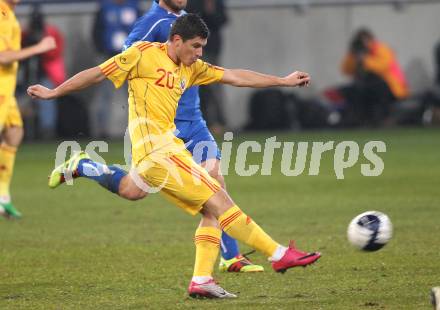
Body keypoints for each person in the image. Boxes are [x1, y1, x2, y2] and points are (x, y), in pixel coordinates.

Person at [28, 14, 321, 299]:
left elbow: (234, 76)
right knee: (219, 200)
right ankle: (278, 254)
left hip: (166, 149)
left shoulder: (191, 68)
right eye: (195, 46)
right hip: (157, 152)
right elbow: (97, 73)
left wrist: (282, 81)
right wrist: (55, 93)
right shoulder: (142, 54)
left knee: (138, 192)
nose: (199, 52)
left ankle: (84, 166)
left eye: (202, 47)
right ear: (176, 40)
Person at [124, 0, 263, 274]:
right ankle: (85, 166)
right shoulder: (152, 21)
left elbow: (222, 73)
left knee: (215, 182)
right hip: (163, 128)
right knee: (134, 190)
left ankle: (231, 257)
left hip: (194, 120)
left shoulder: (188, 20)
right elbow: (127, 60)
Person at [0, 0, 55, 218]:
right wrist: (40, 47)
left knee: (14, 132)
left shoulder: (10, 13)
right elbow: (3, 57)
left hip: (6, 88)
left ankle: (2, 196)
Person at [340, 28, 409, 126]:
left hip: (393, 87)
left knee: (377, 88)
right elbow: (346, 70)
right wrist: (353, 55)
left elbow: (382, 66)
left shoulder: (381, 49)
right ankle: (358, 120)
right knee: (354, 91)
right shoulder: (357, 54)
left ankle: (384, 119)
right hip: (370, 86)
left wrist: (365, 59)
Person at [92, 0, 140, 138]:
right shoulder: (104, 7)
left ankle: (136, 130)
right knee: (104, 94)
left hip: (131, 59)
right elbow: (96, 31)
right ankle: (102, 130)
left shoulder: (134, 7)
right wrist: (101, 50)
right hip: (109, 57)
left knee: (135, 94)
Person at [22, 4, 66, 139]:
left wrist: (41, 46)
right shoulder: (25, 33)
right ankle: (27, 133)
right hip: (27, 73)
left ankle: (47, 131)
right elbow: (21, 52)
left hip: (46, 73)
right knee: (24, 102)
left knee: (47, 102)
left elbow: (56, 52)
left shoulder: (51, 32)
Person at [186, 0, 228, 132]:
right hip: (192, 50)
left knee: (214, 85)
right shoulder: (191, 3)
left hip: (211, 49)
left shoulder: (216, 2)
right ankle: (197, 122)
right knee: (194, 88)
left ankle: (218, 121)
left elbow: (223, 19)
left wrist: (210, 10)